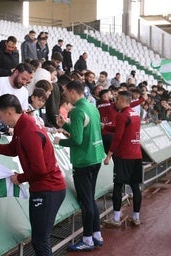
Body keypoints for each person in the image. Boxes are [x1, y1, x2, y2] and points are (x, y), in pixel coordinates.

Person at [0, 94, 66, 256]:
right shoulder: (23, 125)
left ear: (10, 112)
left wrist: (19, 178)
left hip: (48, 189)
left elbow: (39, 169)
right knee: (40, 238)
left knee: (40, 240)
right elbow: (13, 149)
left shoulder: (29, 131)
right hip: (46, 188)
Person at [54, 80, 105, 251]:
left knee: (86, 202)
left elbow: (76, 139)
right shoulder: (91, 107)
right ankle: (96, 235)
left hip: (83, 161)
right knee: (91, 198)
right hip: (96, 157)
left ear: (72, 91)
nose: (64, 95)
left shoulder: (76, 111)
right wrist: (65, 124)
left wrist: (59, 141)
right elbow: (84, 129)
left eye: (65, 92)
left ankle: (88, 239)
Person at [103, 91, 143, 227]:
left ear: (125, 101)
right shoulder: (135, 115)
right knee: (135, 186)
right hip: (136, 155)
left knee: (118, 185)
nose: (116, 102)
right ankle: (136, 217)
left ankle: (115, 218)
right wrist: (105, 126)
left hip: (123, 156)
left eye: (118, 100)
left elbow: (118, 138)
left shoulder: (121, 115)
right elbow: (122, 130)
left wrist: (109, 155)